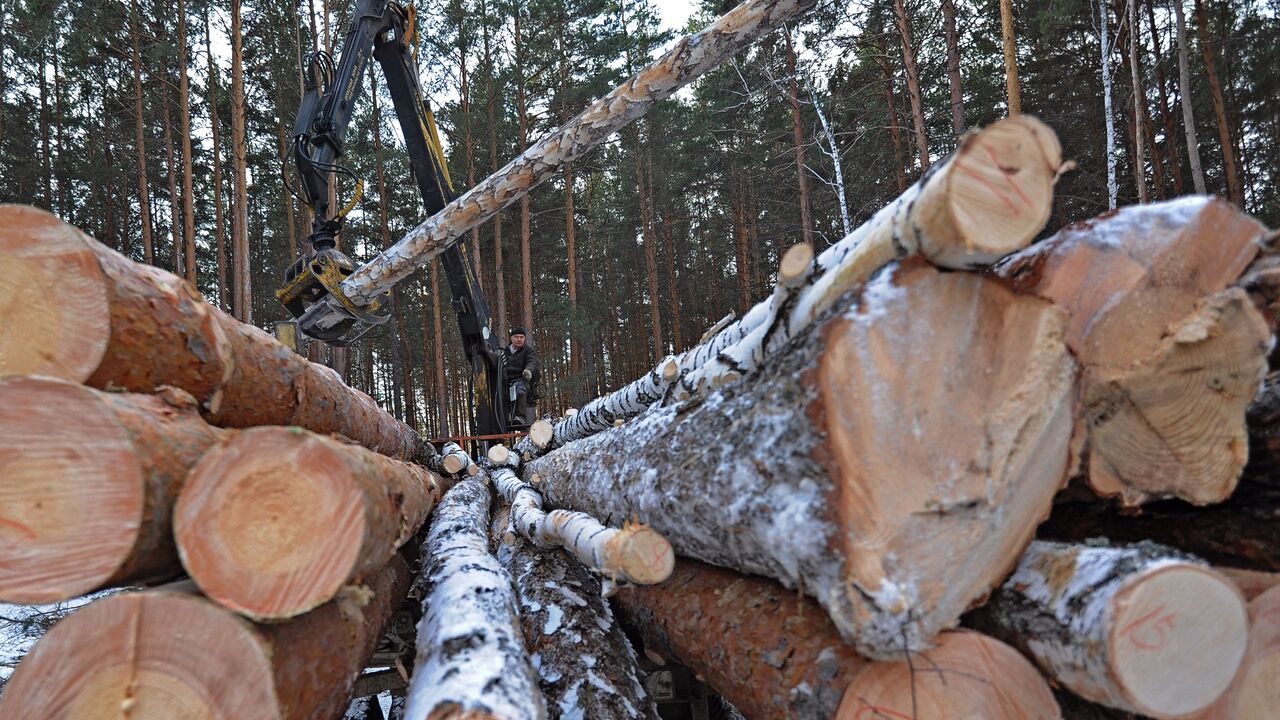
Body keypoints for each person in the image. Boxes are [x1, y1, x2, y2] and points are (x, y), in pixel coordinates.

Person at [502, 327, 540, 425]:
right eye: (516, 337)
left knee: (520, 389)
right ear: (511, 338)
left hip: (522, 378)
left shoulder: (528, 351)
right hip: (506, 381)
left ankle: (520, 417)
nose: (519, 339)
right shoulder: (503, 352)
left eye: (521, 337)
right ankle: (504, 419)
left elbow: (532, 362)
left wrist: (528, 371)